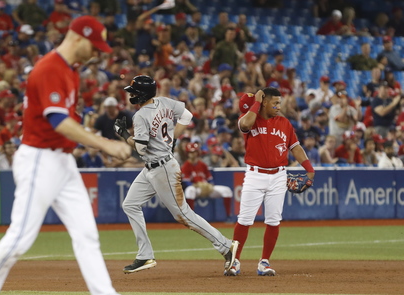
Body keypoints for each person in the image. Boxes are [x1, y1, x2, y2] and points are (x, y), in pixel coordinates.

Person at [0, 16, 157, 295]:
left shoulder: (70, 71)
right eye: (94, 46)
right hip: (39, 158)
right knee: (20, 237)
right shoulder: (50, 68)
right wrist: (105, 143)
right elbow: (58, 121)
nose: (96, 53)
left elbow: (66, 127)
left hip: (61, 162)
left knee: (86, 234)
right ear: (78, 38)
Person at [114, 75, 238, 275]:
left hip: (162, 167)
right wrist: (173, 138)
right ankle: (145, 255)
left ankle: (226, 246)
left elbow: (141, 149)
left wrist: (124, 134)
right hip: (153, 167)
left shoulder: (140, 116)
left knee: (184, 215)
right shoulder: (164, 101)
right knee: (130, 204)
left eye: (135, 91)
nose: (132, 94)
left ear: (143, 93)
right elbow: (187, 116)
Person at [229, 88, 315, 277]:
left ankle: (264, 262)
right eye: (274, 103)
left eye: (279, 103)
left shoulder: (284, 123)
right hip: (254, 174)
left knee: (274, 221)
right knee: (244, 220)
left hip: (279, 175)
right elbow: (245, 124)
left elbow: (296, 147)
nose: (278, 106)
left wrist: (309, 168)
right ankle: (234, 261)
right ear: (264, 102)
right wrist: (256, 103)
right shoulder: (250, 118)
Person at [181, 142, 234, 221]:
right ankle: (190, 218)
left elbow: (210, 179)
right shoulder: (185, 166)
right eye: (191, 152)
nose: (193, 154)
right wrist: (198, 185)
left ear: (198, 152)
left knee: (227, 190)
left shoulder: (202, 165)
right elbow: (186, 182)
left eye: (194, 152)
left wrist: (209, 186)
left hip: (206, 188)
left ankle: (229, 217)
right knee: (189, 190)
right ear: (187, 153)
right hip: (196, 189)